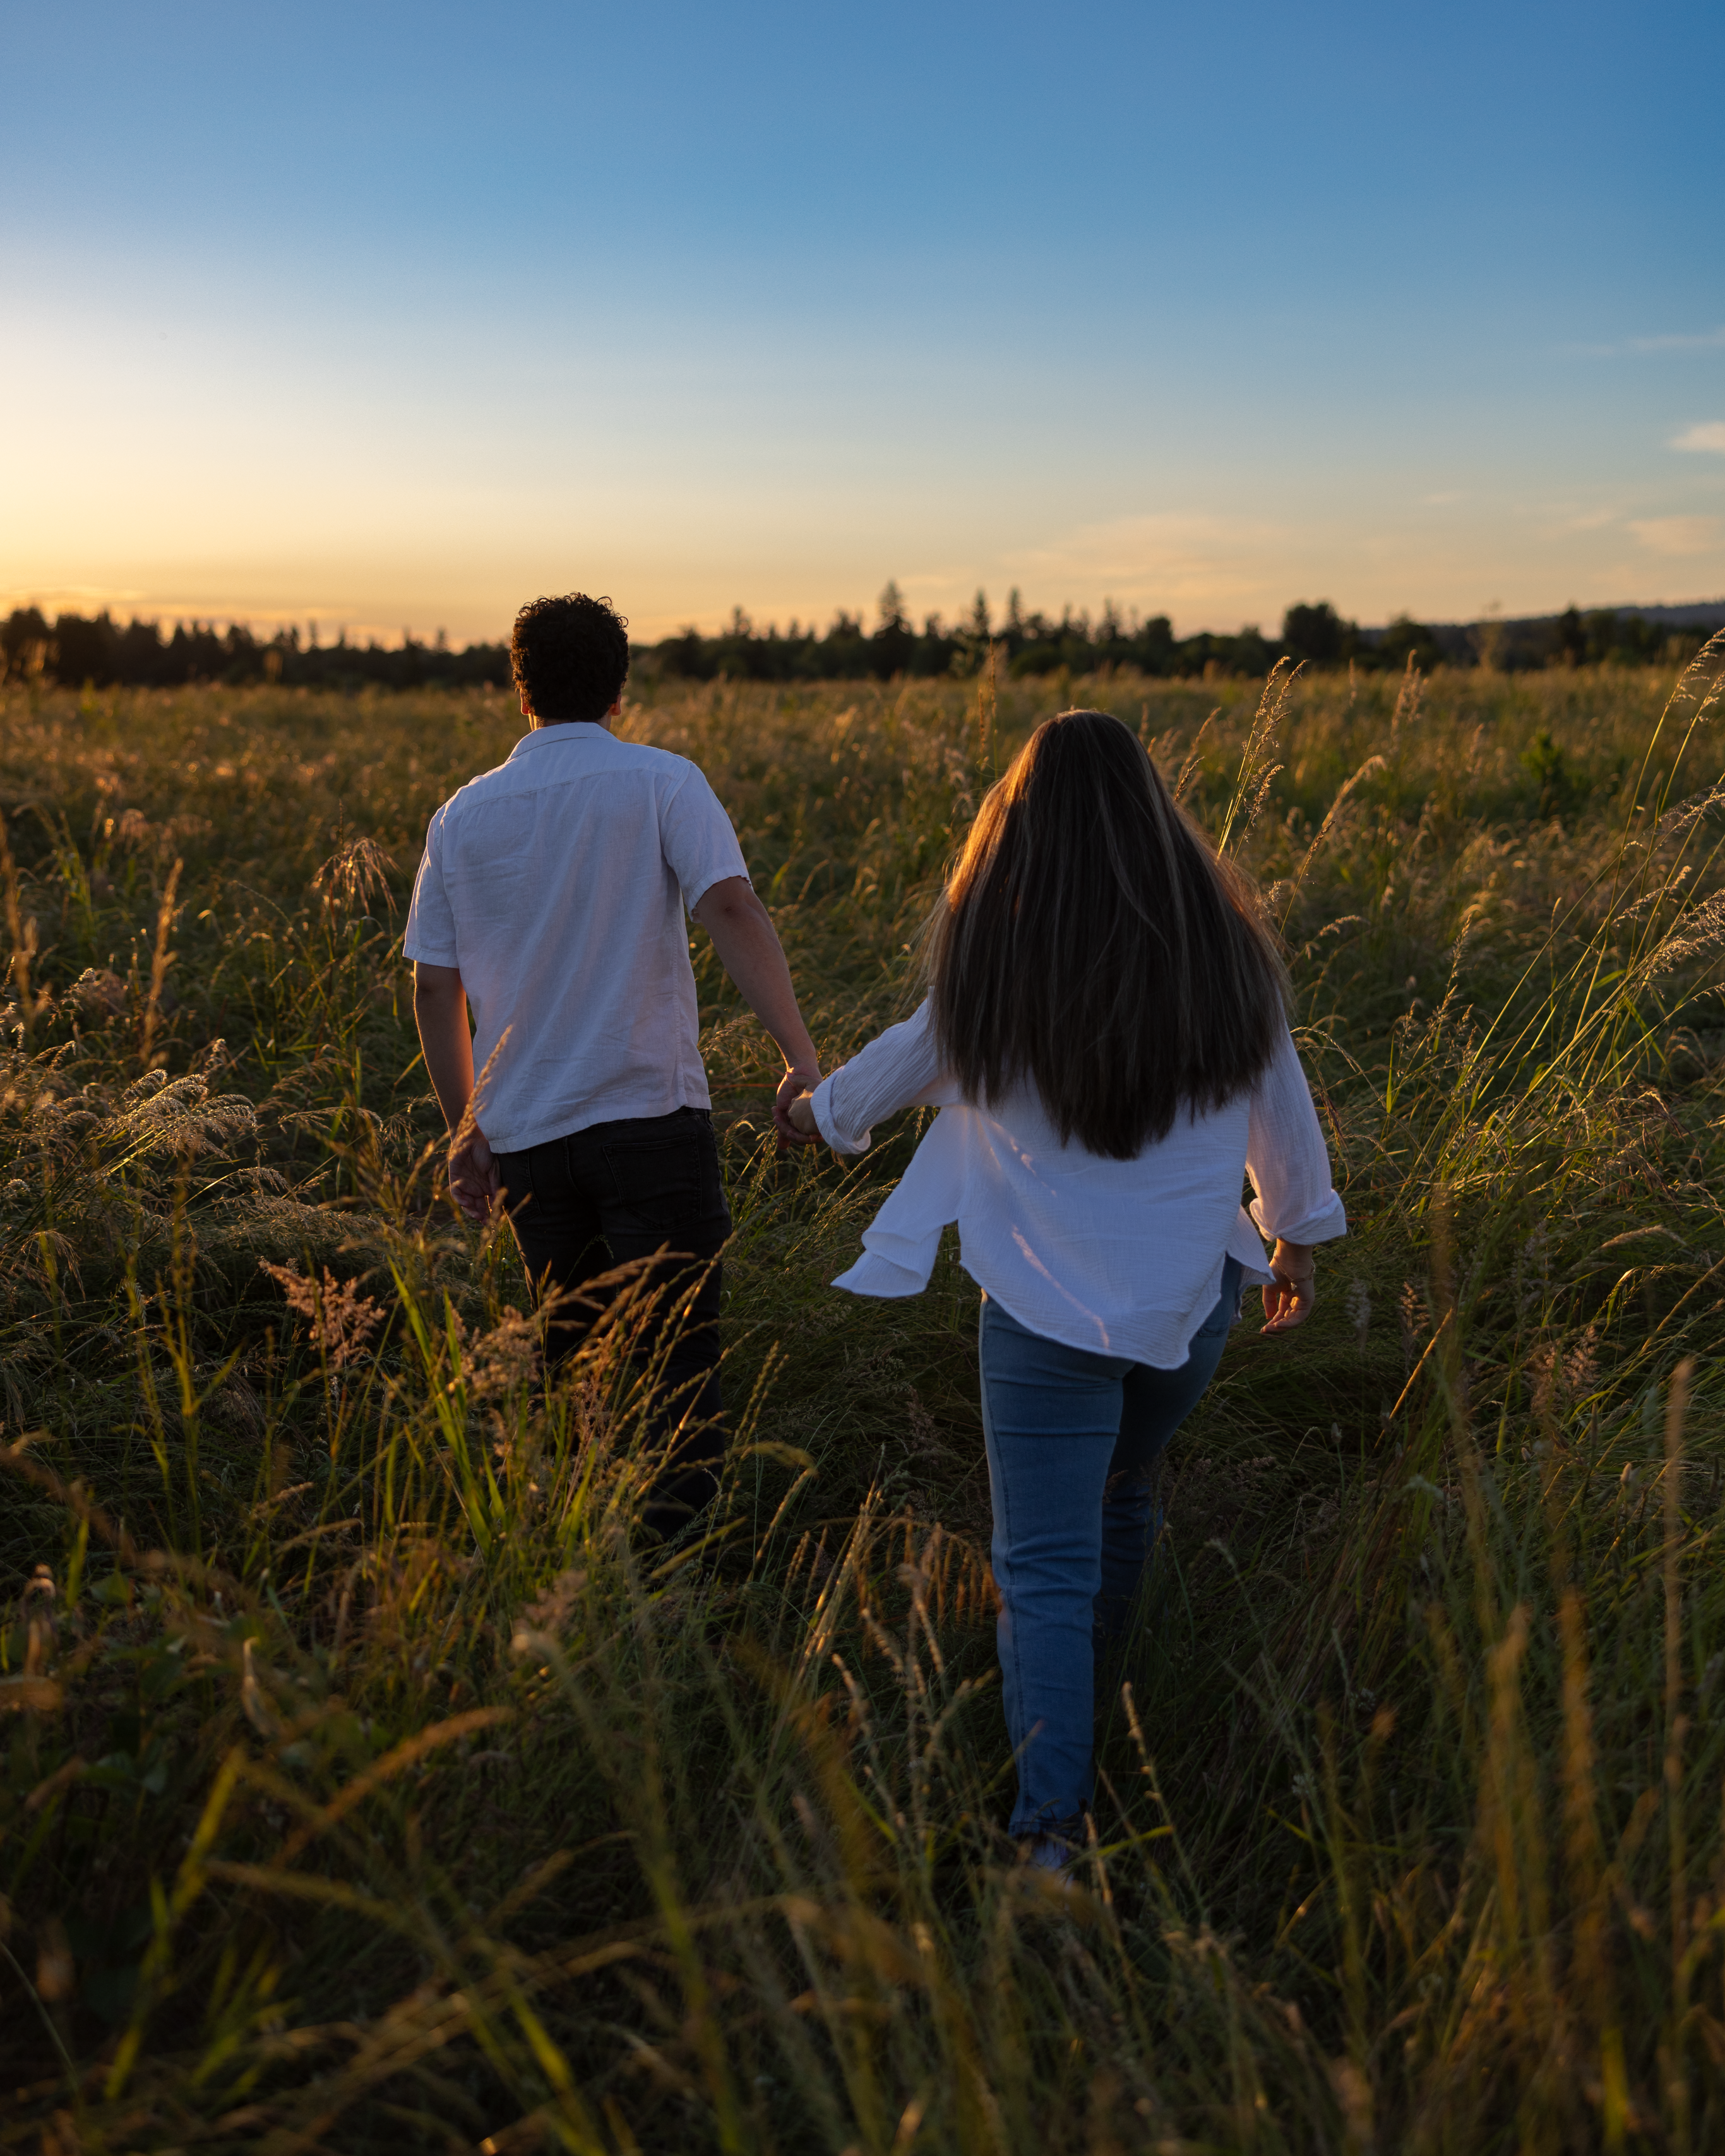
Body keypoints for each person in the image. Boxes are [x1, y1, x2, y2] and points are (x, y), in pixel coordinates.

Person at [784, 708, 1344, 1867]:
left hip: (1041, 1312)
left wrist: (807, 1111)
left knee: (1041, 1563)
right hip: (1190, 1307)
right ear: (1154, 818)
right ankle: (1096, 1716)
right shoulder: (1229, 959)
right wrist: (1289, 1242)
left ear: (1019, 827)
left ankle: (1050, 1833)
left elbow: (866, 1092)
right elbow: (1284, 1126)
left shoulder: (994, 969)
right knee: (1122, 1494)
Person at [403, 592, 821, 1537]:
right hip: (651, 1129)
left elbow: (434, 989)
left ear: (521, 692)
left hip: (530, 1143)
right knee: (676, 1371)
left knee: (575, 1368)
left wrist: (465, 1132)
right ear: (620, 689)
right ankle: (677, 1586)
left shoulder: (460, 818)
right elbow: (732, 911)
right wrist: (803, 1060)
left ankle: (579, 1569)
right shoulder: (663, 782)